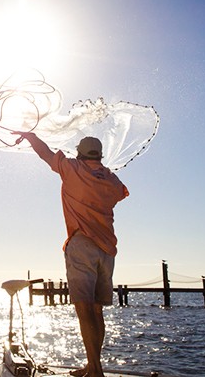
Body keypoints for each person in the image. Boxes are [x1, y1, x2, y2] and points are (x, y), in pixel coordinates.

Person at [12, 132, 129, 377]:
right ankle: (93, 365)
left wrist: (31, 136)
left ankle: (95, 370)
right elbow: (120, 193)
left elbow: (45, 153)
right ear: (100, 155)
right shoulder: (111, 179)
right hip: (107, 251)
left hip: (82, 245)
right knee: (97, 311)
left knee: (84, 309)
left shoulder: (72, 169)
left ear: (79, 153)